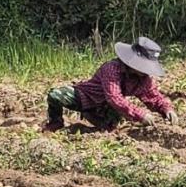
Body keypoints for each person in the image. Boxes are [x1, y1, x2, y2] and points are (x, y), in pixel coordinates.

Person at [43, 37, 177, 132]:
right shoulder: (112, 68)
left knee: (109, 129)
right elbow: (114, 97)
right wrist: (140, 114)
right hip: (85, 97)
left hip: (105, 107)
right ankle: (55, 124)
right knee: (55, 95)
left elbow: (153, 96)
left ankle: (93, 119)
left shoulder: (143, 79)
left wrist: (167, 109)